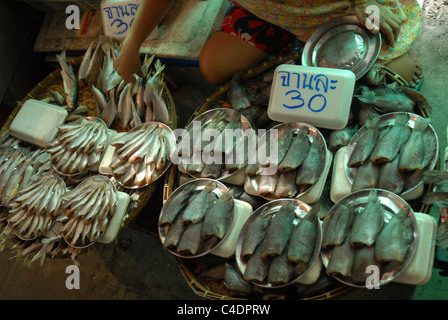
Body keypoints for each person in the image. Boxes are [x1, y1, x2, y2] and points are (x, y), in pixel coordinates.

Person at [114, 0, 423, 87]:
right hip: (271, 10)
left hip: (340, 7)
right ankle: (300, 43)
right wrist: (131, 47)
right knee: (213, 68)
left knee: (398, 77)